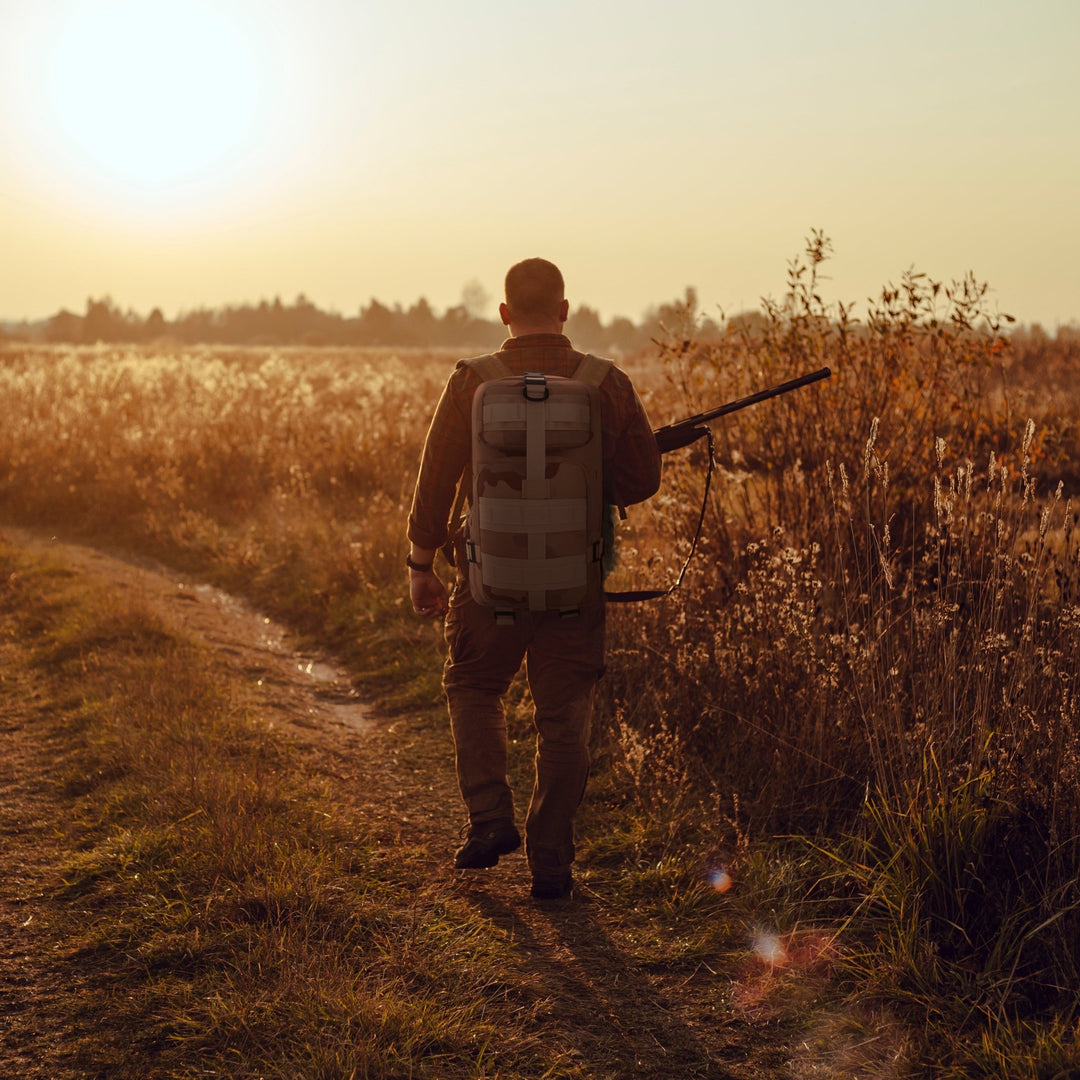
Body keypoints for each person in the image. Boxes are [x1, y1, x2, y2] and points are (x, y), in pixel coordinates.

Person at [406, 258, 661, 900]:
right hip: (575, 585)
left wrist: (420, 565)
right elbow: (641, 481)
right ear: (566, 310)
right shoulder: (606, 382)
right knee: (564, 715)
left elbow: (435, 481)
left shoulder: (471, 381)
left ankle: (490, 820)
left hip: (486, 581)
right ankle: (551, 864)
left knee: (472, 684)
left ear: (504, 313)